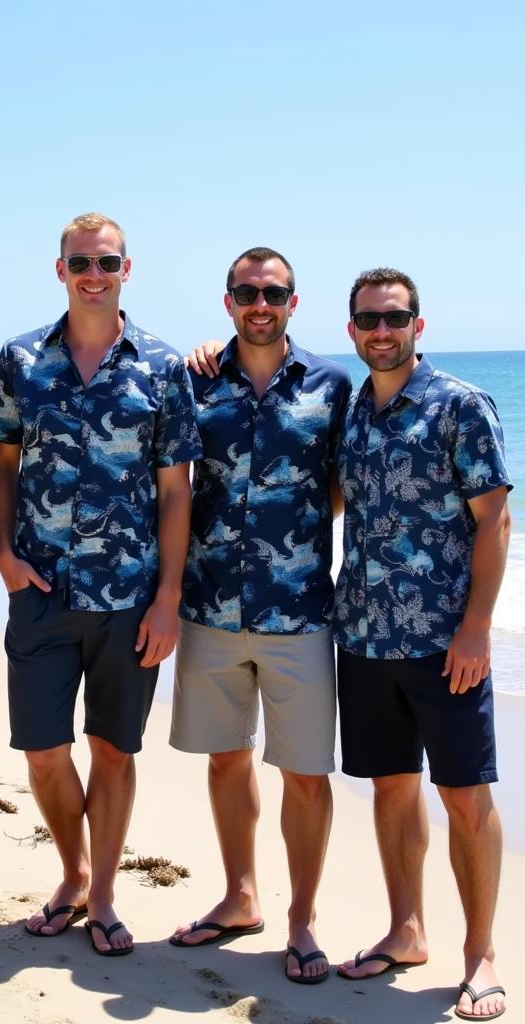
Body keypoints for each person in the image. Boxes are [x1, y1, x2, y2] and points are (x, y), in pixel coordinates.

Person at [0, 212, 201, 956]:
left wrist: (169, 597)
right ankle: (73, 873)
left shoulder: (164, 367)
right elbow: (3, 464)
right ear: (60, 271)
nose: (93, 275)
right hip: (40, 590)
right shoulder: (21, 359)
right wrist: (4, 558)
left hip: (129, 596)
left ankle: (102, 895)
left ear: (126, 270)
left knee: (113, 749)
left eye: (106, 263)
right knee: (43, 751)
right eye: (81, 263)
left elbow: (177, 489)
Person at [168, 247, 351, 983]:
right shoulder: (196, 378)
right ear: (229, 301)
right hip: (209, 605)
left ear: (293, 302)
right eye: (246, 292)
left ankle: (302, 919)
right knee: (226, 756)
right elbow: (172, 482)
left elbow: (341, 485)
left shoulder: (332, 385)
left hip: (300, 609)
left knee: (306, 772)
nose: (260, 303)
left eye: (272, 292)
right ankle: (240, 896)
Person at [333, 268, 510, 1022]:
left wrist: (476, 628)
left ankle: (482, 956)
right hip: (366, 636)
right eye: (370, 318)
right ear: (351, 329)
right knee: (391, 787)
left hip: (446, 643)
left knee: (464, 797)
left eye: (395, 317)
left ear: (417, 324)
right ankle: (406, 931)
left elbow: (495, 521)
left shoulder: (460, 405)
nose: (383, 329)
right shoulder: (352, 413)